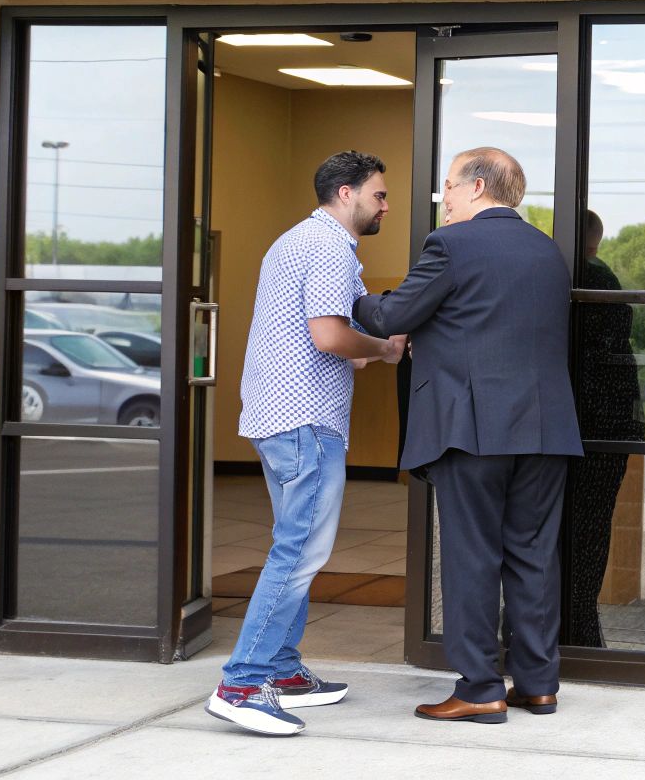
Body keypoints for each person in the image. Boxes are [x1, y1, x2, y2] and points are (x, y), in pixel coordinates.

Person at [354, 147, 583, 723]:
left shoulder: (451, 245)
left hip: (474, 430)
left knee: (472, 557)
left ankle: (480, 687)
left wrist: (347, 291)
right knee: (533, 556)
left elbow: (389, 317)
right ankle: (538, 684)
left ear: (478, 187)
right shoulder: (547, 251)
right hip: (546, 430)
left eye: (449, 187)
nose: (445, 198)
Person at [207, 151, 404, 738]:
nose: (386, 205)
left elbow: (318, 335)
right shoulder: (327, 248)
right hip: (304, 423)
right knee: (298, 552)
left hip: (278, 417)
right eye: (379, 195)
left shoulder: (296, 239)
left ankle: (284, 670)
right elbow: (327, 334)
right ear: (346, 194)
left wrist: (359, 348)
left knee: (292, 546)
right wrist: (385, 348)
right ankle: (242, 683)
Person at [566, 210, 644, 647]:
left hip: (590, 422)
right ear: (596, 238)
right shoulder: (601, 277)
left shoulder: (587, 278)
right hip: (609, 422)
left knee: (575, 529)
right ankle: (579, 624)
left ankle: (574, 624)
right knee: (591, 529)